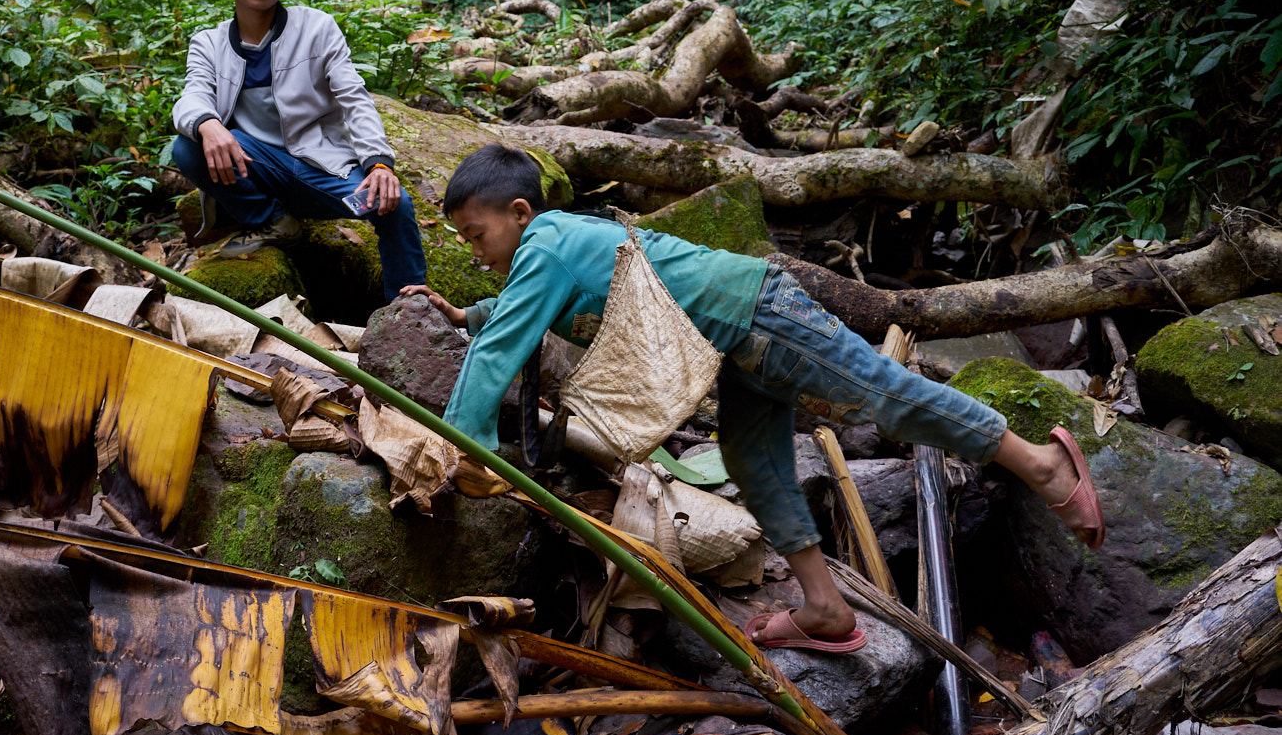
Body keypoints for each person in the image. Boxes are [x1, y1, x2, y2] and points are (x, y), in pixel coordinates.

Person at [403, 144, 1105, 654]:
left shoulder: (546, 245)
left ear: (520, 212)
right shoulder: (546, 252)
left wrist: (463, 441)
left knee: (884, 394)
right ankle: (826, 609)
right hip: (736, 342)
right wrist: (466, 315)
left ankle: (1041, 464)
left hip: (759, 314)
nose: (472, 250)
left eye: (476, 235)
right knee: (752, 458)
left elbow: (502, 354)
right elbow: (512, 319)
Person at [171, 0, 427, 300]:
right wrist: (208, 124)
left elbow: (354, 97)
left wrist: (378, 162)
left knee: (395, 202)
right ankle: (272, 220)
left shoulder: (317, 28)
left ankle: (409, 311)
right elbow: (192, 97)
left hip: (321, 170)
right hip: (256, 166)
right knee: (187, 146)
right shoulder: (208, 44)